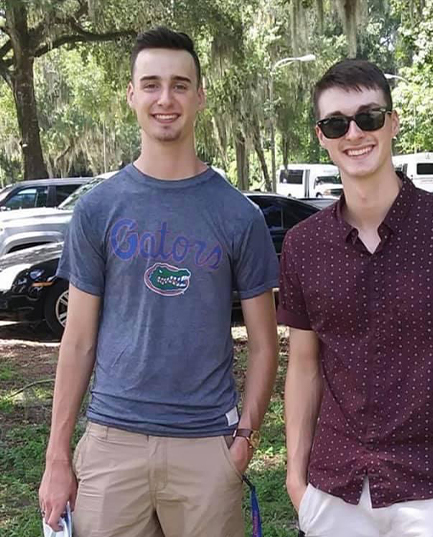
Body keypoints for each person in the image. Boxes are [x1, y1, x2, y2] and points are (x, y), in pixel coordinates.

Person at [39, 27, 279, 537]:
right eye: (150, 84)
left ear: (200, 97)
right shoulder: (97, 209)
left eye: (179, 84)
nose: (164, 98)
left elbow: (264, 344)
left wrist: (243, 445)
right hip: (110, 445)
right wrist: (58, 455)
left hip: (206, 448)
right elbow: (77, 340)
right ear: (131, 95)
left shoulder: (239, 216)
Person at [278, 58, 433, 537]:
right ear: (321, 136)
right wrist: (296, 482)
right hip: (332, 491)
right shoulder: (303, 245)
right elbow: (303, 365)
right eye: (336, 123)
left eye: (368, 117)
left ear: (392, 123)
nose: (354, 133)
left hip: (430, 493)